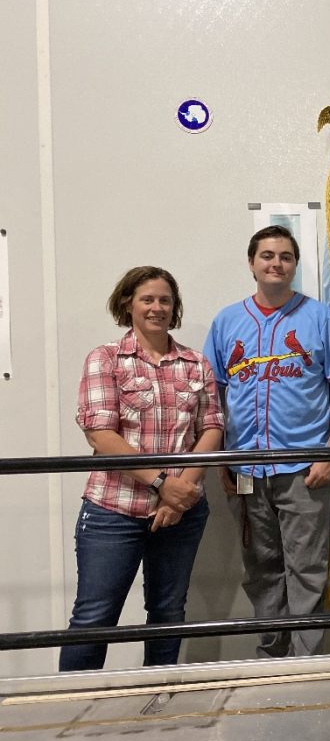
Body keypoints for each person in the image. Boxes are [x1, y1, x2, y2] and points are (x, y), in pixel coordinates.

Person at [204, 225, 330, 658]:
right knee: (261, 566)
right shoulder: (227, 320)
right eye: (267, 255)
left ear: (295, 265)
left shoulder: (319, 316)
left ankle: (305, 662)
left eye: (286, 256)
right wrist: (223, 464)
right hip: (246, 469)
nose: (276, 263)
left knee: (306, 568)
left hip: (303, 468)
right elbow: (212, 397)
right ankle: (272, 654)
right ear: (252, 263)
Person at [61, 266, 223, 671]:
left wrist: (180, 493)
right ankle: (72, 707)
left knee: (168, 613)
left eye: (165, 300)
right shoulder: (106, 359)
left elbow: (212, 428)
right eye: (147, 299)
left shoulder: (195, 364)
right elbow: (101, 433)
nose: (157, 308)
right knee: (95, 616)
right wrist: (162, 483)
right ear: (127, 304)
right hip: (114, 509)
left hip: (181, 510)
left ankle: (160, 702)